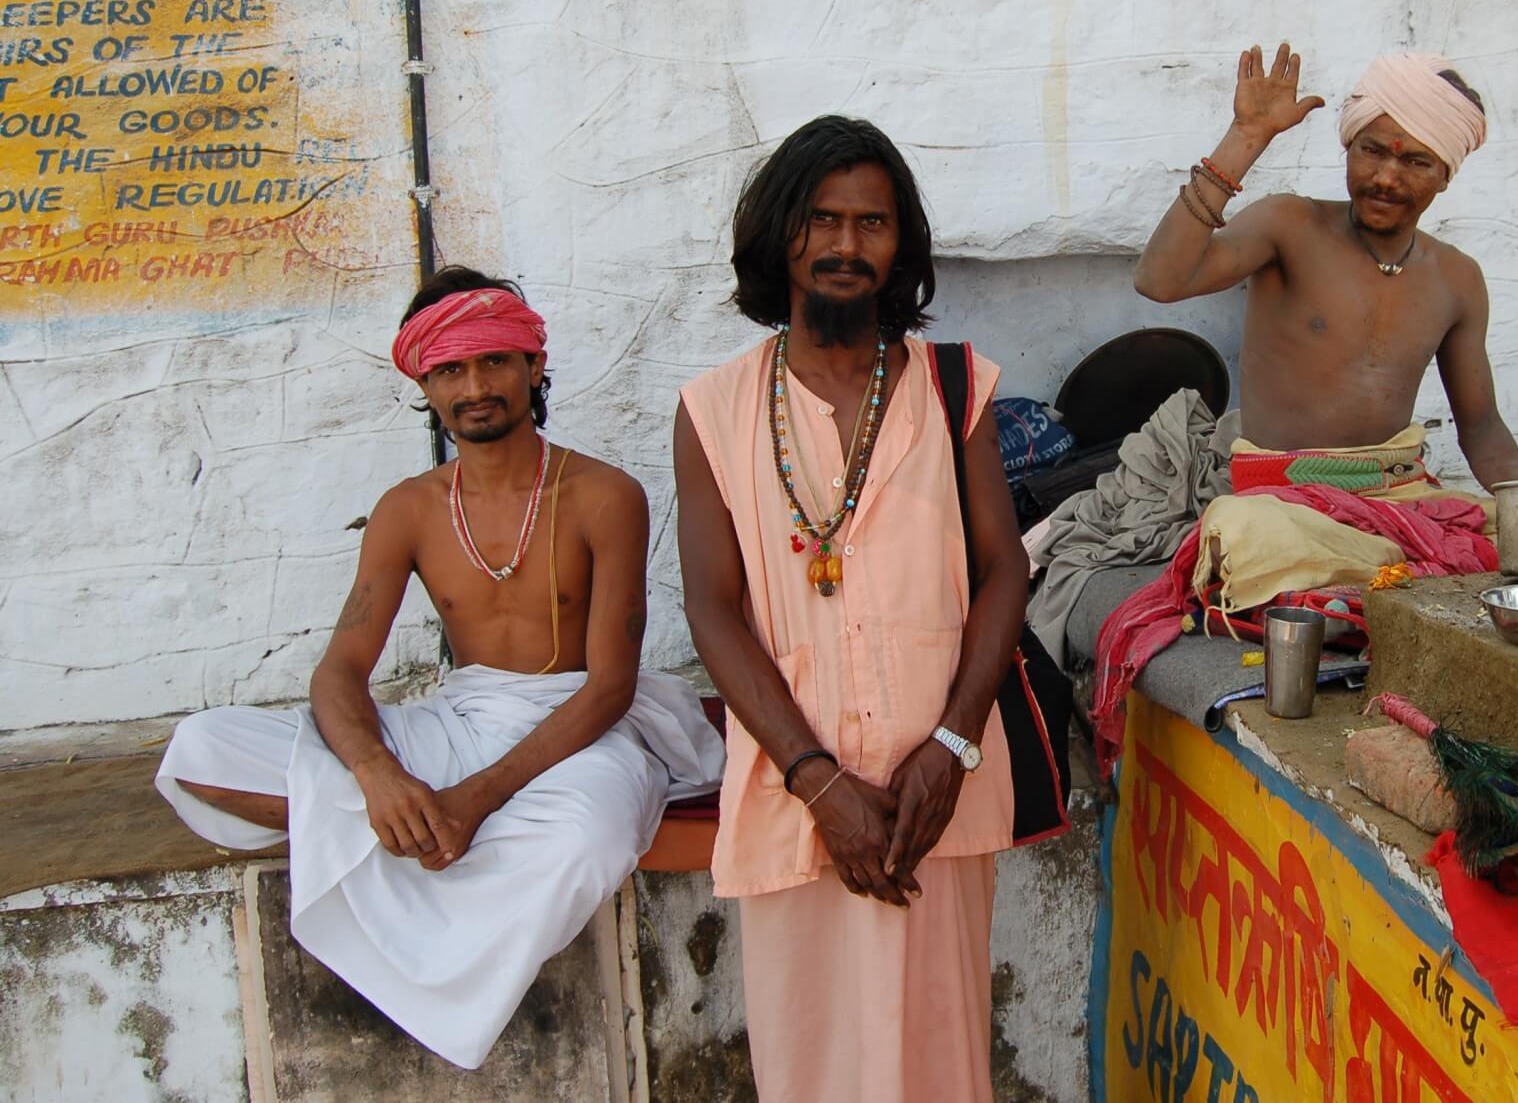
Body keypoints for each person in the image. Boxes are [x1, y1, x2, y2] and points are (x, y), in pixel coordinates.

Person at [155, 267, 724, 1070]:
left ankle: (398, 845)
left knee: (591, 837)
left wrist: (472, 800)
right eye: (450, 369)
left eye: (494, 360)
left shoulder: (604, 495)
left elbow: (608, 687)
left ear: (533, 365)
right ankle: (411, 828)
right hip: (457, 722)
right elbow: (340, 670)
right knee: (201, 749)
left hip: (578, 733)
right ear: (423, 383)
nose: (475, 385)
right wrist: (379, 776)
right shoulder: (409, 509)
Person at [672, 115, 1027, 1103]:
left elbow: (1004, 572)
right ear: (780, 234)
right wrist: (817, 782)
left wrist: (952, 747)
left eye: (870, 224)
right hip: (795, 802)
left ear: (898, 245)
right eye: (820, 220)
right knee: (814, 1065)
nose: (842, 245)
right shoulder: (712, 410)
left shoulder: (955, 387)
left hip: (933, 796)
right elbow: (712, 610)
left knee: (940, 1058)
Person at [1134, 43, 1518, 488]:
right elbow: (1159, 281)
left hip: (1397, 494)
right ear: (1350, 146)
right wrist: (1246, 137)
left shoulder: (1458, 278)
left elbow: (1481, 429)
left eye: (1415, 161)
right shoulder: (1289, 225)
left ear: (1444, 174)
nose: (1385, 177)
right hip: (1279, 497)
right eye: (1372, 151)